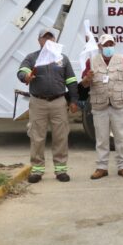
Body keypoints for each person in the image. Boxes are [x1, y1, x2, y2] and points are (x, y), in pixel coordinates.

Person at [17, 28, 78, 183]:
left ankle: (61, 170)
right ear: (39, 41)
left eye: (51, 38)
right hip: (38, 103)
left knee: (61, 136)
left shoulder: (62, 59)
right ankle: (37, 170)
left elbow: (71, 80)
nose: (48, 40)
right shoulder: (32, 58)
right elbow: (22, 71)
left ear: (55, 40)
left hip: (58, 102)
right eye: (45, 38)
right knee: (37, 136)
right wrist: (26, 76)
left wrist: (73, 100)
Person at [81, 34, 123, 179]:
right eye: (105, 45)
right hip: (100, 106)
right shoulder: (91, 62)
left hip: (119, 104)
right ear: (99, 46)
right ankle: (101, 167)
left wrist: (119, 90)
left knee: (121, 137)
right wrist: (88, 77)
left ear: (114, 45)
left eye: (111, 44)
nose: (108, 47)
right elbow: (85, 84)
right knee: (101, 138)